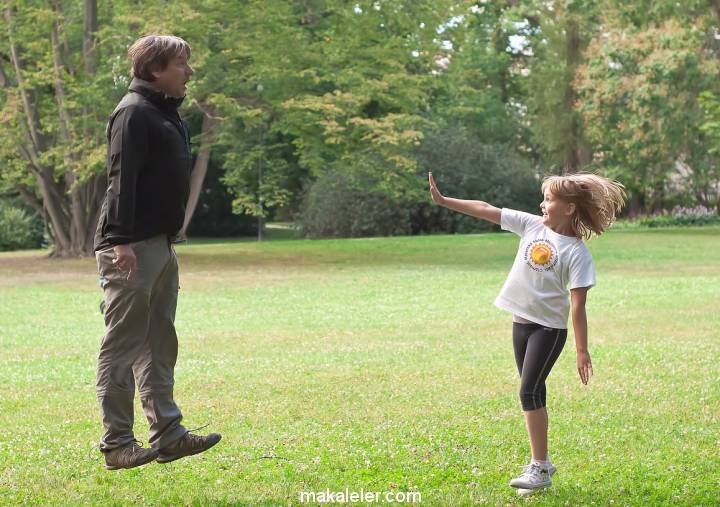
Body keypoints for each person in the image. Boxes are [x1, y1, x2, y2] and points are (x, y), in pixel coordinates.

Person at [428, 171, 625, 493]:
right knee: (534, 391)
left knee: (528, 392)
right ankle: (543, 464)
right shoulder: (532, 225)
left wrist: (581, 350)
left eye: (549, 199)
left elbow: (577, 307)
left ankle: (538, 467)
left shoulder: (577, 253)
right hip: (520, 323)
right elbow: (486, 208)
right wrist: (444, 201)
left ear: (569, 208)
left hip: (548, 330)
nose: (542, 204)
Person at [93, 35, 221, 470]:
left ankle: (168, 435)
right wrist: (120, 242)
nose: (189, 71)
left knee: (160, 341)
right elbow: (120, 181)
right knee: (123, 344)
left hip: (161, 244)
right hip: (130, 246)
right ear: (154, 70)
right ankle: (116, 445)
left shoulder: (163, 112)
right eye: (181, 64)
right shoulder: (132, 113)